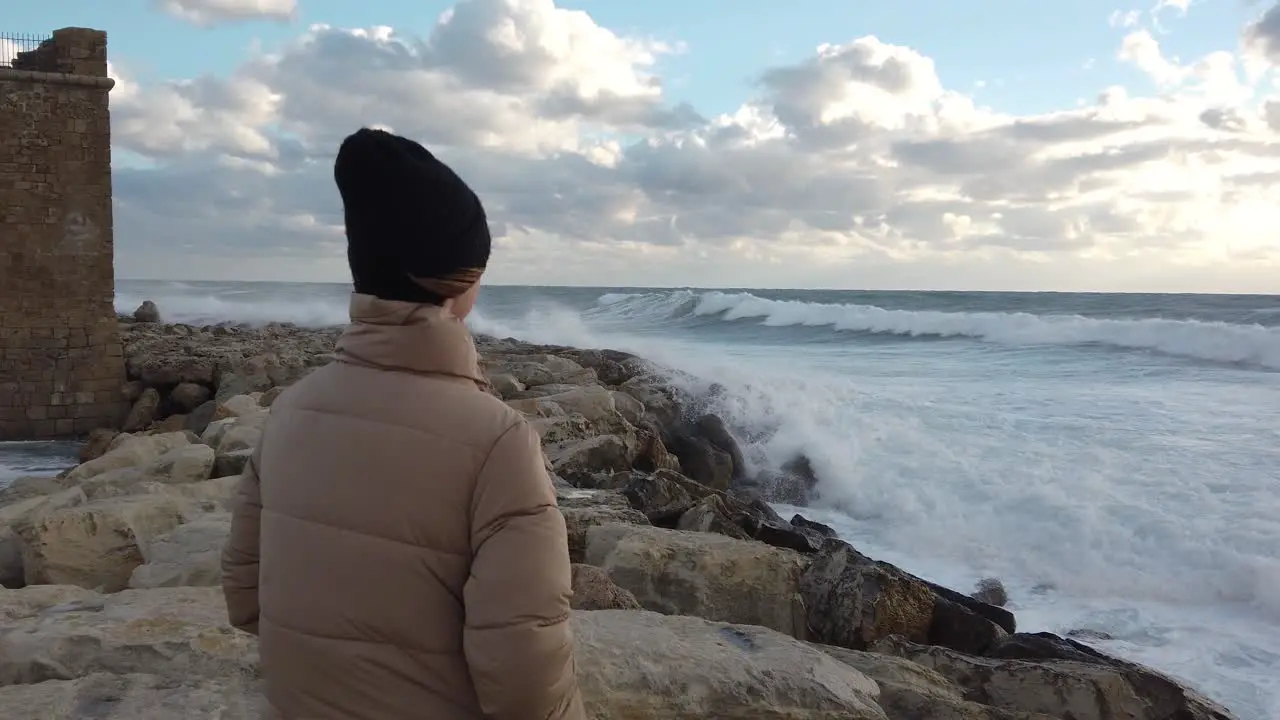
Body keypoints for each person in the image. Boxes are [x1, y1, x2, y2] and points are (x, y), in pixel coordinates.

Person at [220, 128, 586, 720]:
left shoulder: (292, 409)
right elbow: (525, 673)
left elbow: (245, 598)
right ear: (461, 280)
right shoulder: (496, 442)